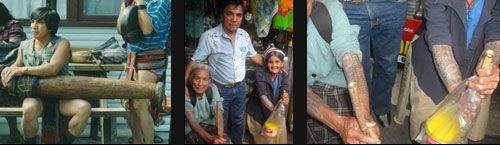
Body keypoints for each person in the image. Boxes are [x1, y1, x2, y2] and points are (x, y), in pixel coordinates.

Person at [409, 0, 500, 143]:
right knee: (429, 133)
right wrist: (461, 95)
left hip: (475, 72)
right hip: (432, 71)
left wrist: (489, 63)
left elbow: (496, 27)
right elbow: (439, 39)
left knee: (465, 131)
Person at [0, 7, 91, 144]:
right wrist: (8, 70)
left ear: (51, 27)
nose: (34, 26)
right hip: (35, 95)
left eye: (40, 23)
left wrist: (24, 70)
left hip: (60, 96)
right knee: (29, 109)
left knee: (84, 108)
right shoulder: (24, 45)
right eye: (32, 21)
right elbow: (16, 66)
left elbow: (53, 68)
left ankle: (64, 142)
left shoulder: (61, 43)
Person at [184, 0, 264, 143]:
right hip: (219, 90)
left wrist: (272, 64)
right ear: (222, 15)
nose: (234, 19)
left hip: (240, 88)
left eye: (239, 15)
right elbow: (194, 61)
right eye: (230, 14)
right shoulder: (210, 37)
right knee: (220, 125)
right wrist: (183, 84)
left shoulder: (244, 36)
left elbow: (254, 56)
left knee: (239, 121)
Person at [306, 0, 381, 144]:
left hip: (330, 80)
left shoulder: (328, 8)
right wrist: (340, 124)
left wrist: (363, 119)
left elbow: (351, 61)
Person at [340, 0, 408, 128]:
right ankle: (365, 111)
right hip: (351, 6)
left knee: (388, 63)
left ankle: (382, 105)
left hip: (393, 5)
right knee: (358, 67)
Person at [116, 0, 170, 143]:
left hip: (151, 56)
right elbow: (121, 29)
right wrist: (125, 4)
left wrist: (139, 3)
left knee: (140, 105)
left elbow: (147, 29)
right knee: (131, 108)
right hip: (132, 56)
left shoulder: (162, 2)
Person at [246, 44, 289, 144]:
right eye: (271, 62)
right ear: (266, 63)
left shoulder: (283, 75)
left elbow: (284, 89)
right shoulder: (260, 73)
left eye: (277, 62)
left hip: (275, 113)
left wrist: (285, 97)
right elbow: (263, 97)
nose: (274, 65)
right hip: (259, 113)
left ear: (282, 63)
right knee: (265, 139)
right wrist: (275, 113)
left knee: (279, 138)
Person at [0, 2, 27, 143]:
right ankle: (14, 132)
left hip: (17, 71)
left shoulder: (13, 25)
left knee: (3, 88)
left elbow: (15, 46)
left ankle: (15, 131)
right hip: (3, 71)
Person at [185, 63, 230, 144]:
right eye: (197, 79)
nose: (200, 84)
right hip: (192, 129)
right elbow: (192, 122)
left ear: (209, 81)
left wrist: (220, 137)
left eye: (205, 79)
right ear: (191, 80)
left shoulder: (212, 88)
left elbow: (218, 113)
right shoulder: (186, 92)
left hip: (210, 127)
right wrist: (210, 139)